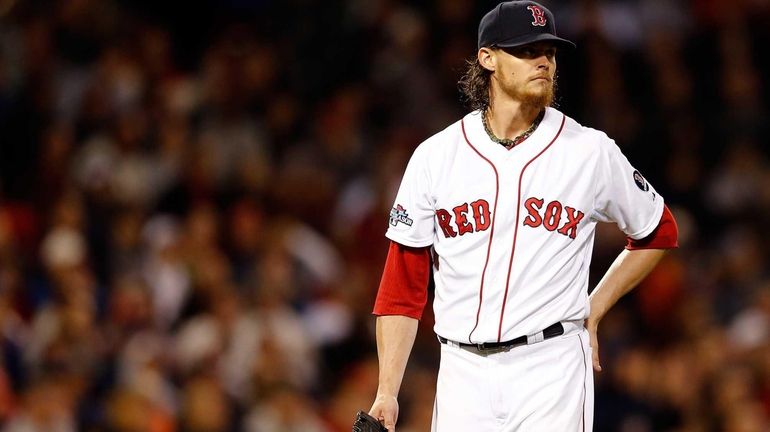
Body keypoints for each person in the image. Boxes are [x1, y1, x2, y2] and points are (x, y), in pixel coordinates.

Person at [367, 1, 679, 431]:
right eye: (527, 50)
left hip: (551, 368)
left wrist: (596, 306)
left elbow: (658, 230)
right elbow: (403, 285)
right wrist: (387, 390)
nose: (543, 62)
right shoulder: (436, 156)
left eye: (548, 52)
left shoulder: (589, 151)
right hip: (462, 371)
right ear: (487, 57)